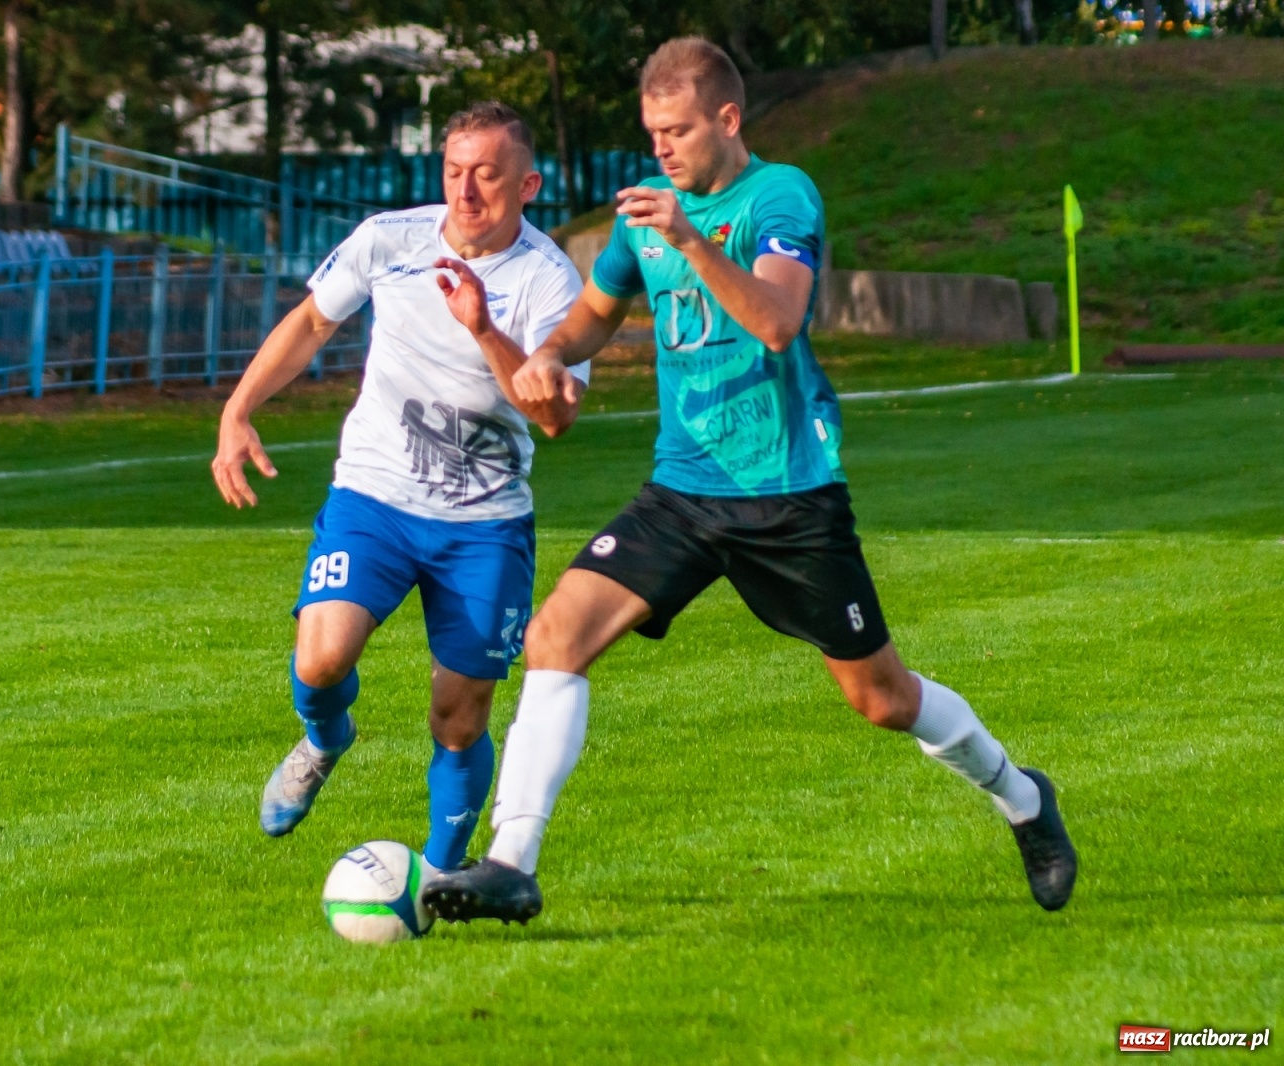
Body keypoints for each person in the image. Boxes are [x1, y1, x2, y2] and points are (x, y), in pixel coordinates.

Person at [423, 38, 1078, 924]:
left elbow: (776, 321)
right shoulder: (643, 214)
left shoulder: (780, 196)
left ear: (728, 119)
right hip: (683, 491)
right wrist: (546, 353)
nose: (662, 149)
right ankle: (512, 863)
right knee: (555, 635)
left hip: (788, 495)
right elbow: (593, 315)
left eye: (679, 131)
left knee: (881, 699)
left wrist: (689, 238)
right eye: (653, 133)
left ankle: (1023, 797)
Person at [212, 102, 589, 885]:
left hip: (484, 523)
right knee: (321, 659)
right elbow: (311, 322)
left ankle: (439, 879)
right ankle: (325, 738)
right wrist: (238, 410)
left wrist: (483, 328)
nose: (466, 191)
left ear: (528, 185)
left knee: (459, 717)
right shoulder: (390, 238)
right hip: (375, 495)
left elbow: (555, 417)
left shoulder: (550, 280)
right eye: (454, 171)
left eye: (487, 175)